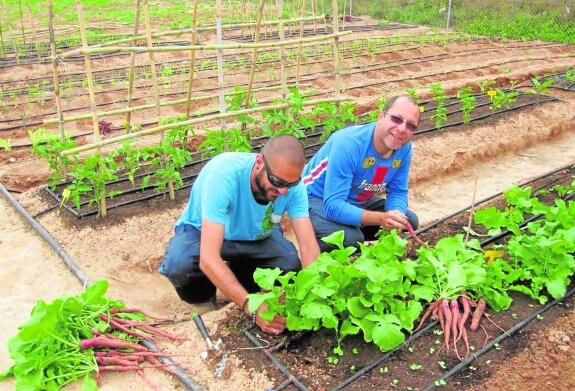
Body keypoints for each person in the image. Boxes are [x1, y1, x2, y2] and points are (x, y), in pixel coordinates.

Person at [159, 134, 320, 335]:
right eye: (277, 181)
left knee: (288, 263)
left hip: (255, 236)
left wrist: (315, 296)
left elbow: (308, 247)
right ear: (259, 162)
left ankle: (238, 280)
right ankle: (203, 298)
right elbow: (208, 258)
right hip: (203, 233)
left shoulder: (292, 188)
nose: (283, 191)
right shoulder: (224, 175)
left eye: (290, 184)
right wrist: (252, 308)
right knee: (180, 264)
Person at [302, 94, 420, 251]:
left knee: (408, 220)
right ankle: (318, 251)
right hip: (315, 198)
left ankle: (352, 228)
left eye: (410, 126)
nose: (402, 129)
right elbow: (333, 205)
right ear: (381, 116)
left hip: (354, 200)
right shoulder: (349, 144)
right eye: (396, 119)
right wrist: (381, 218)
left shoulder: (404, 148)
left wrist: (394, 217)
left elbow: (398, 191)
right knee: (350, 239)